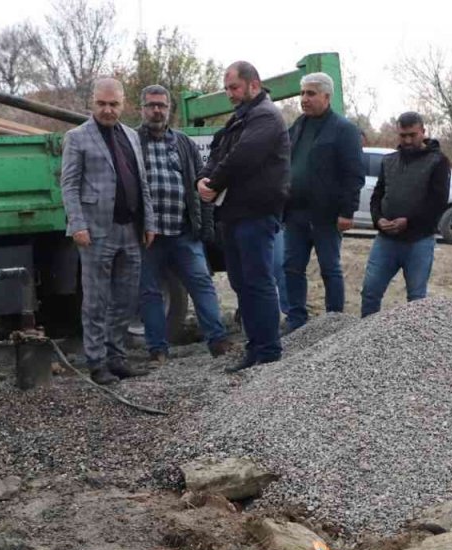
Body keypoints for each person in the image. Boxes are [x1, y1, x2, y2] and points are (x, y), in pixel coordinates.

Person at [60, 78, 157, 385]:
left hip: (130, 229)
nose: (107, 110)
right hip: (95, 231)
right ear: (93, 102)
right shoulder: (77, 137)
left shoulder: (131, 136)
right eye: (101, 103)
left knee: (126, 299)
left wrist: (150, 223)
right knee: (96, 301)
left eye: (113, 104)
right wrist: (77, 224)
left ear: (123, 104)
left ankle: (117, 358)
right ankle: (96, 362)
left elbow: (142, 183)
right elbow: (69, 185)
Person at [197, 61, 290, 373]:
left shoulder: (266, 116)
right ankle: (255, 348)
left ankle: (268, 351)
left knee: (258, 282)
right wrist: (204, 179)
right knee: (242, 283)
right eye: (226, 89)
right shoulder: (238, 120)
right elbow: (217, 154)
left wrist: (214, 183)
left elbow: (243, 157)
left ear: (254, 84)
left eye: (234, 87)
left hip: (256, 214)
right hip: (234, 215)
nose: (229, 94)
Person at [135, 85, 230, 364]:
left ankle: (218, 342)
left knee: (202, 285)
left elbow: (202, 183)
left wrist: (206, 227)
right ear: (142, 108)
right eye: (151, 105)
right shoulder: (132, 142)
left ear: (169, 110)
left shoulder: (183, 142)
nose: (157, 110)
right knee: (150, 292)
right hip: (147, 235)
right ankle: (158, 350)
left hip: (183, 231)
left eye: (162, 105)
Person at [281, 71, 363, 332]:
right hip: (295, 214)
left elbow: (354, 174)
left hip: (325, 216)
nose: (304, 99)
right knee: (292, 267)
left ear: (327, 97)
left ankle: (334, 322)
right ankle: (296, 321)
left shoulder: (344, 129)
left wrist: (346, 211)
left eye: (311, 93)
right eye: (302, 93)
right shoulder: (298, 126)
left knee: (330, 268)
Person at [360, 111, 450, 315]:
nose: (408, 140)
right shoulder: (389, 161)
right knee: (370, 292)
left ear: (423, 132)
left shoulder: (438, 162)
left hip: (419, 241)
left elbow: (437, 202)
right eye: (403, 135)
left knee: (416, 300)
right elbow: (377, 195)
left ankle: (414, 344)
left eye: (413, 135)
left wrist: (408, 221)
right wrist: (378, 219)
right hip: (386, 240)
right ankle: (365, 342)